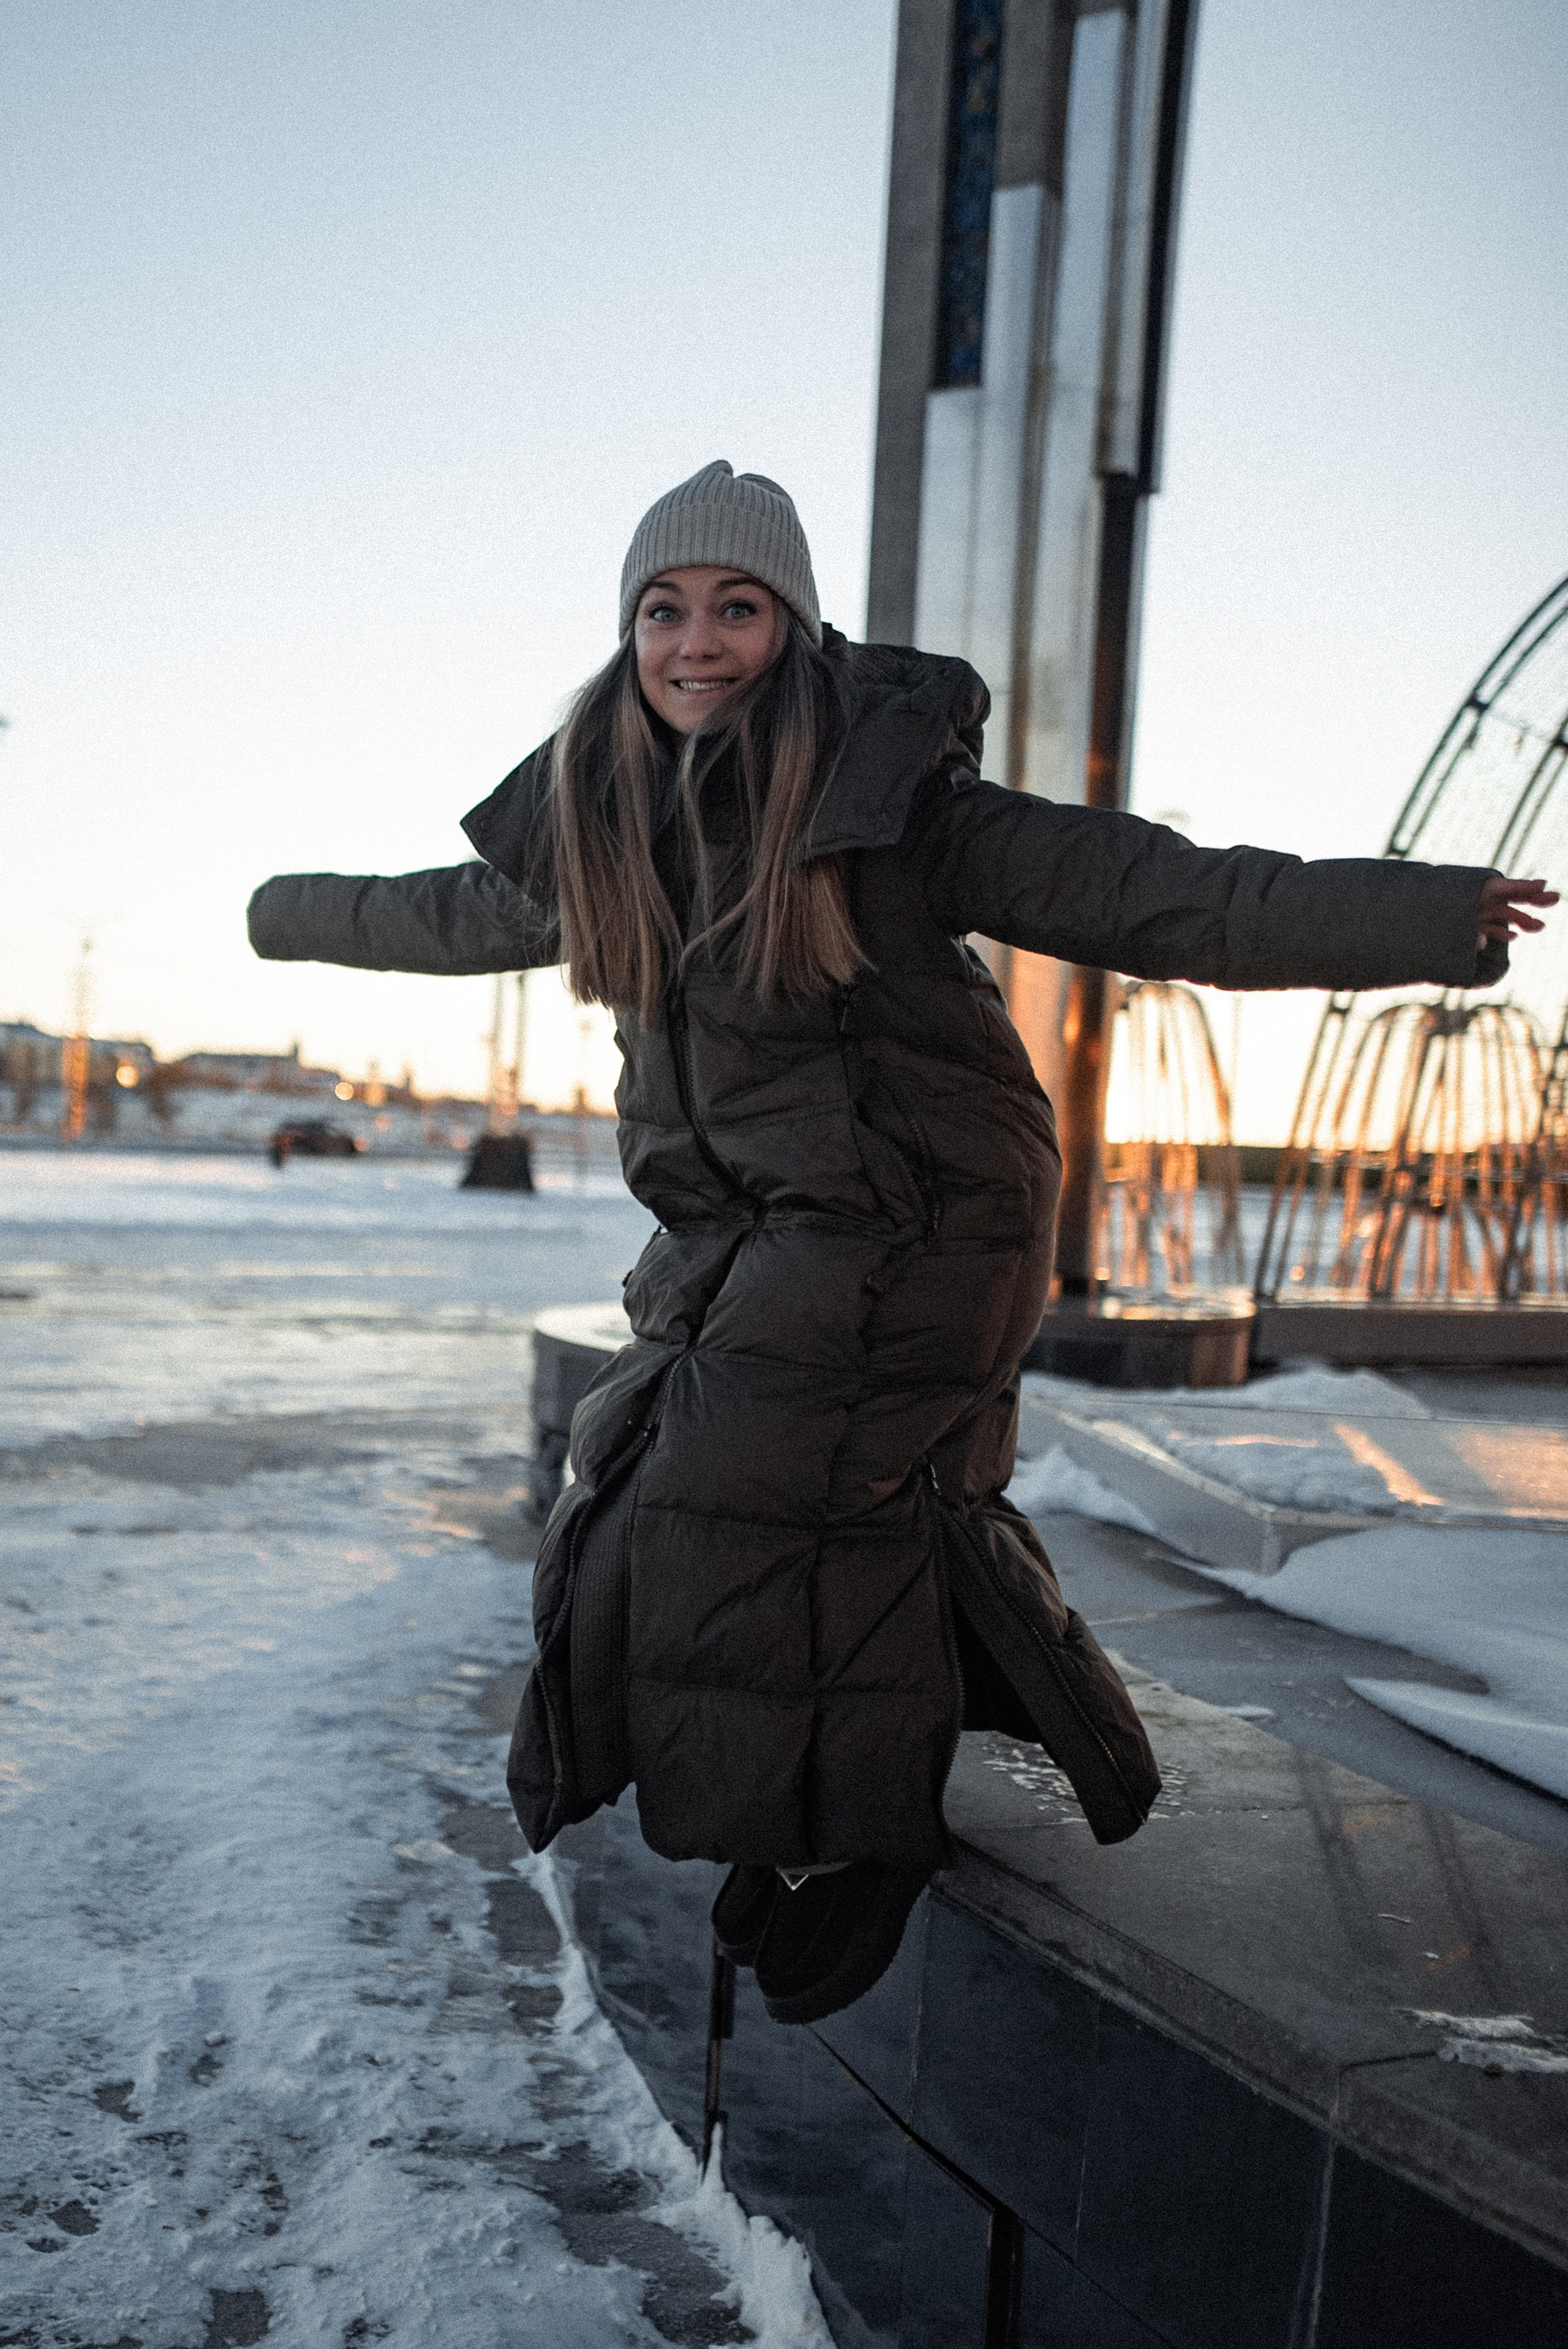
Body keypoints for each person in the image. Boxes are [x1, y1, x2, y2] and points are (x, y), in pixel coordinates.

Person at [249, 460, 1555, 2025]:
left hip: (926, 1213)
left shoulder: (885, 800)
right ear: (628, 635)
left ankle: (851, 1834)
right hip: (748, 1226)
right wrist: (280, 911)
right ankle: (797, 1794)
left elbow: (1157, 895)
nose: (696, 642)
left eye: (738, 607)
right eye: (664, 610)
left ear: (794, 628)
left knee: (741, 1473)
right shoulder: (609, 823)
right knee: (664, 1472)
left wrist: (1423, 916)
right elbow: (441, 914)